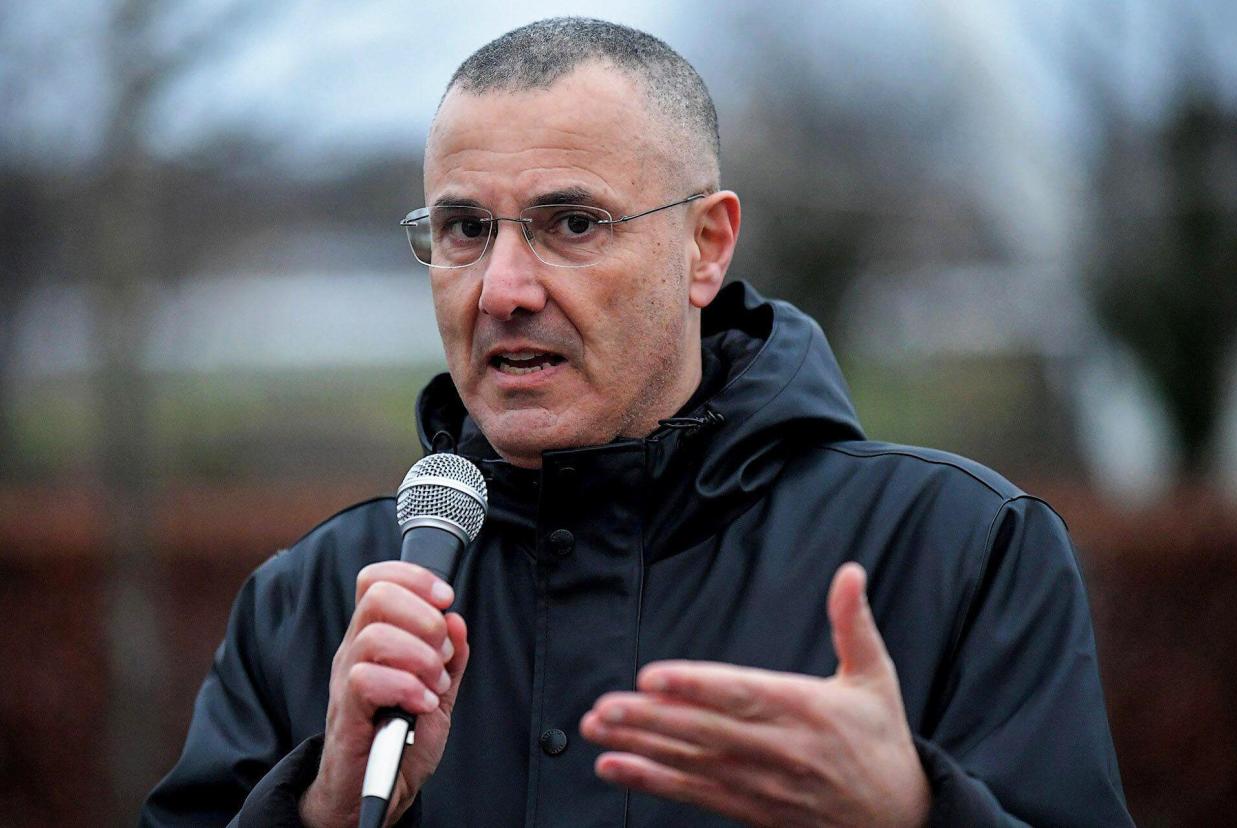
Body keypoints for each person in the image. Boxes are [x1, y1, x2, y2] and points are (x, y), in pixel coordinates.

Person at [142, 17, 1133, 827]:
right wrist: (316, 809)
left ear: (706, 247)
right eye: (464, 229)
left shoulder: (954, 551)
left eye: (572, 224)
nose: (504, 288)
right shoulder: (314, 599)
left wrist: (920, 814)